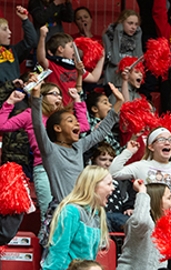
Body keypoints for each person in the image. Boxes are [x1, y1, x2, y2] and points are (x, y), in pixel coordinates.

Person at [0, 84, 90, 220]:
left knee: (72, 213)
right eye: (54, 94)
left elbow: (84, 126)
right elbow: (2, 126)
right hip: (43, 169)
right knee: (49, 216)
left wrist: (77, 100)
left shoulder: (62, 117)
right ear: (42, 97)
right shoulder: (29, 114)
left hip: (66, 169)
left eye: (60, 94)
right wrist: (10, 102)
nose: (59, 97)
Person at [30, 82, 122, 204]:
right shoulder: (50, 149)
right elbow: (37, 125)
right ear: (58, 128)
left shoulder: (78, 146)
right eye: (70, 121)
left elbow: (100, 132)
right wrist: (36, 95)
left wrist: (119, 102)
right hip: (63, 209)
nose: (77, 123)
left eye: (76, 121)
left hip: (81, 207)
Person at [109, 126, 171, 228]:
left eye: (170, 139)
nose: (167, 142)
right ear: (151, 146)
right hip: (149, 228)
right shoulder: (141, 166)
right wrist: (128, 152)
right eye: (161, 139)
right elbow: (113, 173)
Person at [38, 166, 114, 270]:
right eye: (108, 184)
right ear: (93, 186)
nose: (112, 188)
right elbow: (58, 248)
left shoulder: (97, 215)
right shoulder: (71, 211)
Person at [112, 178, 171, 270]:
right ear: (156, 201)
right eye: (169, 198)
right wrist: (142, 192)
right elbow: (140, 220)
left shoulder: (161, 227)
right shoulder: (143, 226)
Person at [37, 26, 104, 106]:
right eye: (71, 47)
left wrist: (102, 57)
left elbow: (94, 78)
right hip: (56, 110)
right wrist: (42, 37)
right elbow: (41, 59)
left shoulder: (75, 66)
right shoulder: (52, 64)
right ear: (61, 49)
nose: (74, 50)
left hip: (73, 109)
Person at [90, 143, 135, 233]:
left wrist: (129, 208)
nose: (107, 163)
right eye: (103, 159)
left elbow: (129, 199)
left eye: (111, 160)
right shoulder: (89, 178)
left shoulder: (123, 181)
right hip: (97, 215)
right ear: (93, 160)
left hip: (119, 216)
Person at [103, 9, 143, 86]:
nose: (133, 27)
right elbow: (114, 61)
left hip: (129, 83)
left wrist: (138, 36)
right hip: (113, 81)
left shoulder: (135, 37)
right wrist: (118, 34)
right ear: (121, 23)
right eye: (130, 23)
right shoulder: (108, 36)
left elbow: (138, 61)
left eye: (136, 24)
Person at [0, 6, 37, 90]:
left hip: (14, 96)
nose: (10, 32)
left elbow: (31, 41)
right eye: (5, 29)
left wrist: (25, 19)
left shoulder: (12, 51)